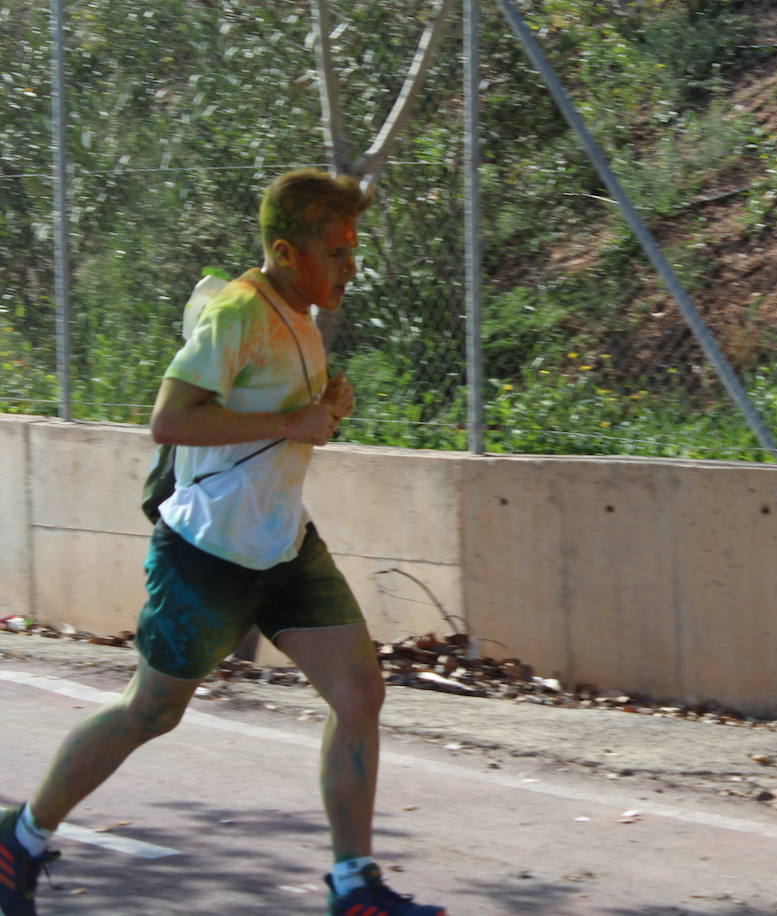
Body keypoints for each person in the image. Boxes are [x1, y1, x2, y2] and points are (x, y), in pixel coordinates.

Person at [0, 169, 447, 916]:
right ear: (284, 250)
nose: (351, 266)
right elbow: (170, 421)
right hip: (208, 555)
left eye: (353, 249)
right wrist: (291, 422)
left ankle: (353, 887)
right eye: (336, 251)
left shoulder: (300, 314)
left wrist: (322, 408)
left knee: (360, 691)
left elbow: (283, 424)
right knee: (150, 711)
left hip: (282, 547)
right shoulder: (239, 312)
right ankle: (21, 838)